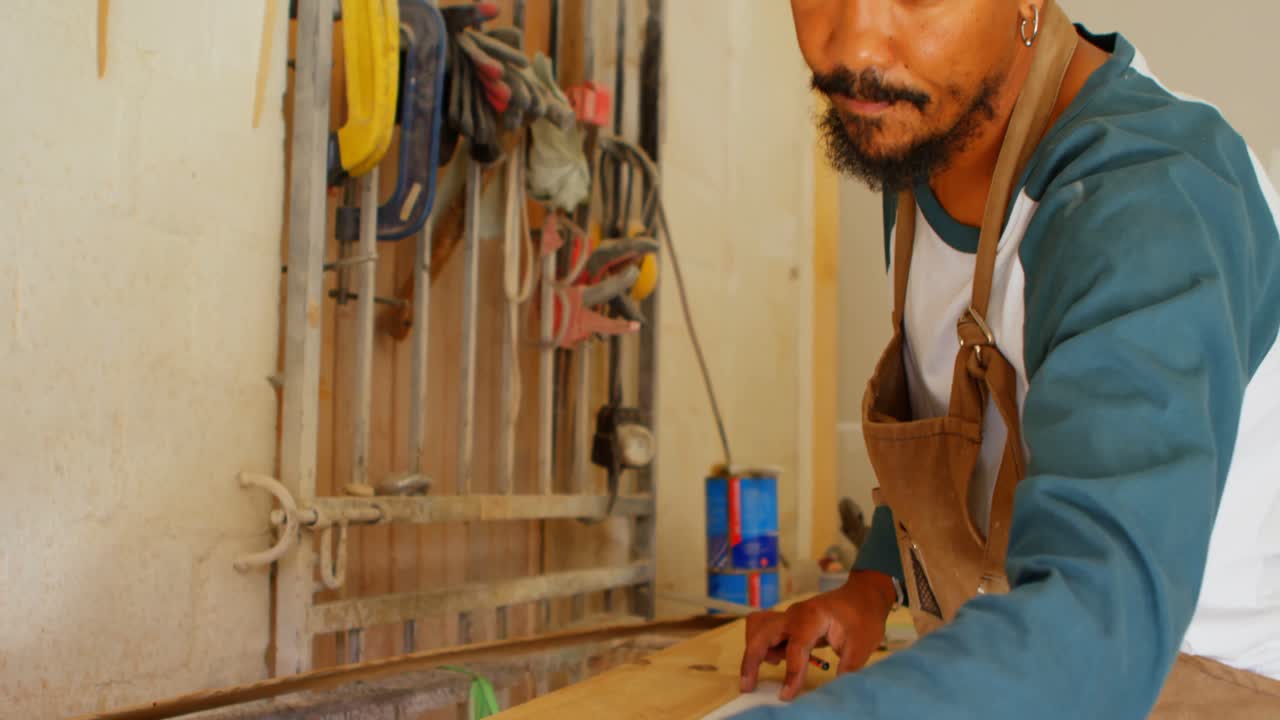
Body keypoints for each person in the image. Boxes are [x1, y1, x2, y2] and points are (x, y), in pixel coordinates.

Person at [735, 1, 1280, 718]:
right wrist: (872, 584)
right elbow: (975, 441)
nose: (854, 43)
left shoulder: (1150, 207)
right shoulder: (922, 133)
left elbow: (1096, 621)